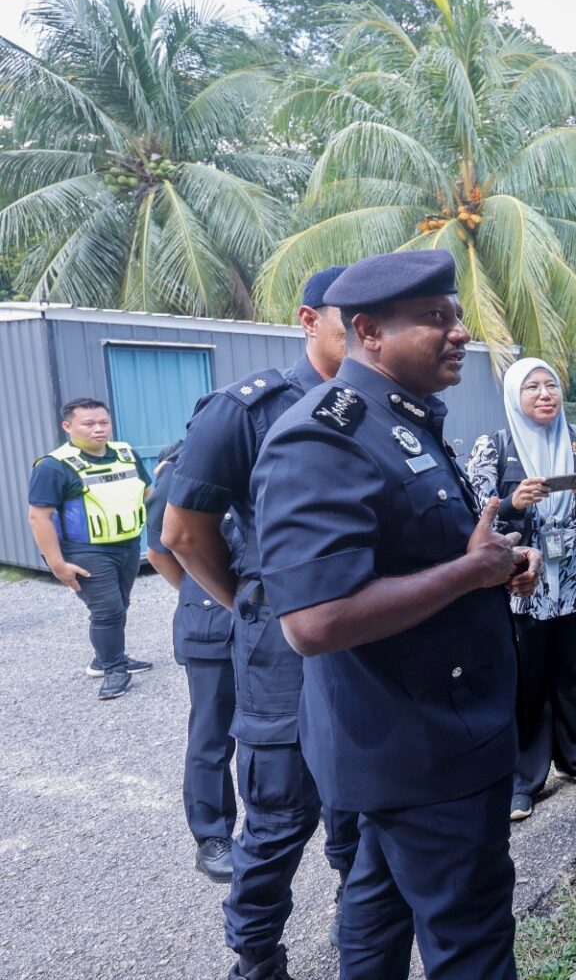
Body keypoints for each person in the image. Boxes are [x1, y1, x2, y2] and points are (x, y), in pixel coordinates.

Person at [252, 249, 540, 980]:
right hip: (421, 749)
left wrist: (492, 566)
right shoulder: (326, 432)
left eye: (457, 315)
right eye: (436, 319)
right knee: (470, 943)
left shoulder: (399, 416)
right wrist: (469, 571)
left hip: (415, 742)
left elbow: (417, 554)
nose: (461, 332)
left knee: (377, 914)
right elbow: (313, 620)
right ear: (371, 333)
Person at [163, 268, 357, 980]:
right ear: (310, 320)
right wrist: (249, 598)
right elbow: (182, 533)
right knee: (278, 812)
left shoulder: (380, 404)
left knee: (359, 801)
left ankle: (358, 919)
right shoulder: (247, 409)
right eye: (351, 321)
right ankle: (256, 953)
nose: (370, 335)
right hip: (281, 647)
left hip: (364, 636)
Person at [467, 358, 576, 821]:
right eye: (531, 387)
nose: (543, 394)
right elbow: (478, 523)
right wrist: (513, 503)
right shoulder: (493, 447)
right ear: (515, 396)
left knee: (575, 676)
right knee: (525, 683)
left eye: (550, 385)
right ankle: (524, 779)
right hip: (523, 589)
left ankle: (575, 758)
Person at [145, 441, 239, 882]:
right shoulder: (185, 467)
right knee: (212, 731)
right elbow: (161, 550)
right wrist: (205, 592)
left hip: (274, 621)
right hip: (212, 623)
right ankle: (212, 835)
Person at [26, 397, 153, 700]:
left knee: (119, 604)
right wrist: (57, 564)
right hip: (85, 550)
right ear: (67, 426)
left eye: (103, 422)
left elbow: (149, 493)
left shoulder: (126, 453)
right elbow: (38, 517)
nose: (98, 429)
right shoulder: (54, 466)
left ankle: (105, 656)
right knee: (107, 610)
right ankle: (113, 668)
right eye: (89, 424)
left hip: (128, 545)